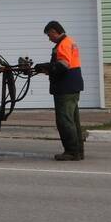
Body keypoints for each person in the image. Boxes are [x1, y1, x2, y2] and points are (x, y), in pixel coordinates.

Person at [34, 20, 84, 161]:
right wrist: (47, 68)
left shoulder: (63, 44)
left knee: (64, 120)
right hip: (72, 86)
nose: (49, 38)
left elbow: (63, 65)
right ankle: (78, 151)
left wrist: (47, 66)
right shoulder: (69, 41)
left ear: (54, 32)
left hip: (65, 88)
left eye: (49, 35)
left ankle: (71, 152)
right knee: (73, 120)